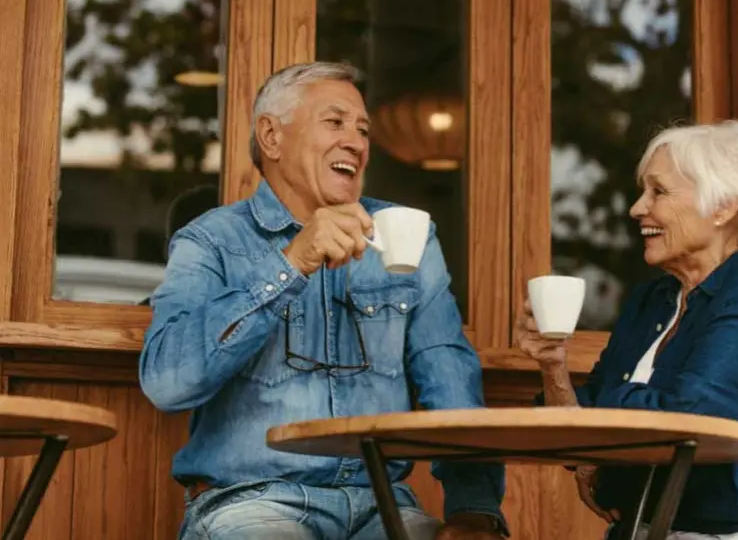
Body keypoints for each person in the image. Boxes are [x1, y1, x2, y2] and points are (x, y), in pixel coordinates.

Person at [139, 62, 507, 540]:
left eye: (363, 129)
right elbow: (167, 382)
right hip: (252, 502)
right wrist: (291, 263)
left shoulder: (404, 235)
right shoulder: (211, 240)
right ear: (271, 137)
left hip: (383, 506)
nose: (355, 141)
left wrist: (474, 511)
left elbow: (449, 376)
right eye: (334, 123)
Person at [517, 120, 738, 540]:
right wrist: (553, 365)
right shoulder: (655, 301)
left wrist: (600, 438)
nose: (637, 208)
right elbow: (578, 424)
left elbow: (683, 420)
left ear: (723, 206)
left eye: (658, 192)